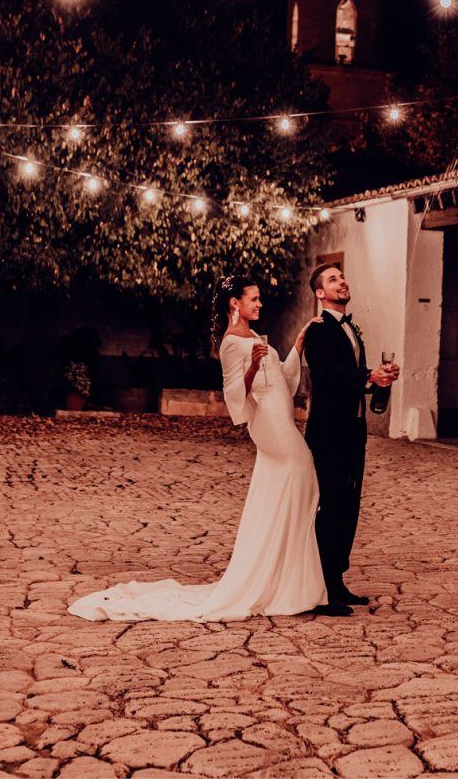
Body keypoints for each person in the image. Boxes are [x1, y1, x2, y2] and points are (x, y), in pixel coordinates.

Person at [67, 273, 328, 622]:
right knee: (303, 471)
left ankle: (285, 578)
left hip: (281, 415)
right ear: (235, 303)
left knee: (294, 486)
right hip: (269, 423)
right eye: (254, 299)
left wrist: (298, 342)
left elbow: (281, 375)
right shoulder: (232, 342)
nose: (260, 304)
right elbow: (235, 392)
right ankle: (282, 576)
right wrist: (251, 366)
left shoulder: (252, 335)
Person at [304, 263, 399, 616]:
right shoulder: (317, 330)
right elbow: (328, 376)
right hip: (328, 433)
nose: (341, 282)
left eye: (342, 277)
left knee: (349, 506)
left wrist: (379, 378)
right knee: (329, 507)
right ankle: (322, 590)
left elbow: (352, 374)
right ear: (319, 293)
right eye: (332, 279)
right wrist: (366, 375)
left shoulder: (351, 329)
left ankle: (338, 580)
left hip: (353, 431)